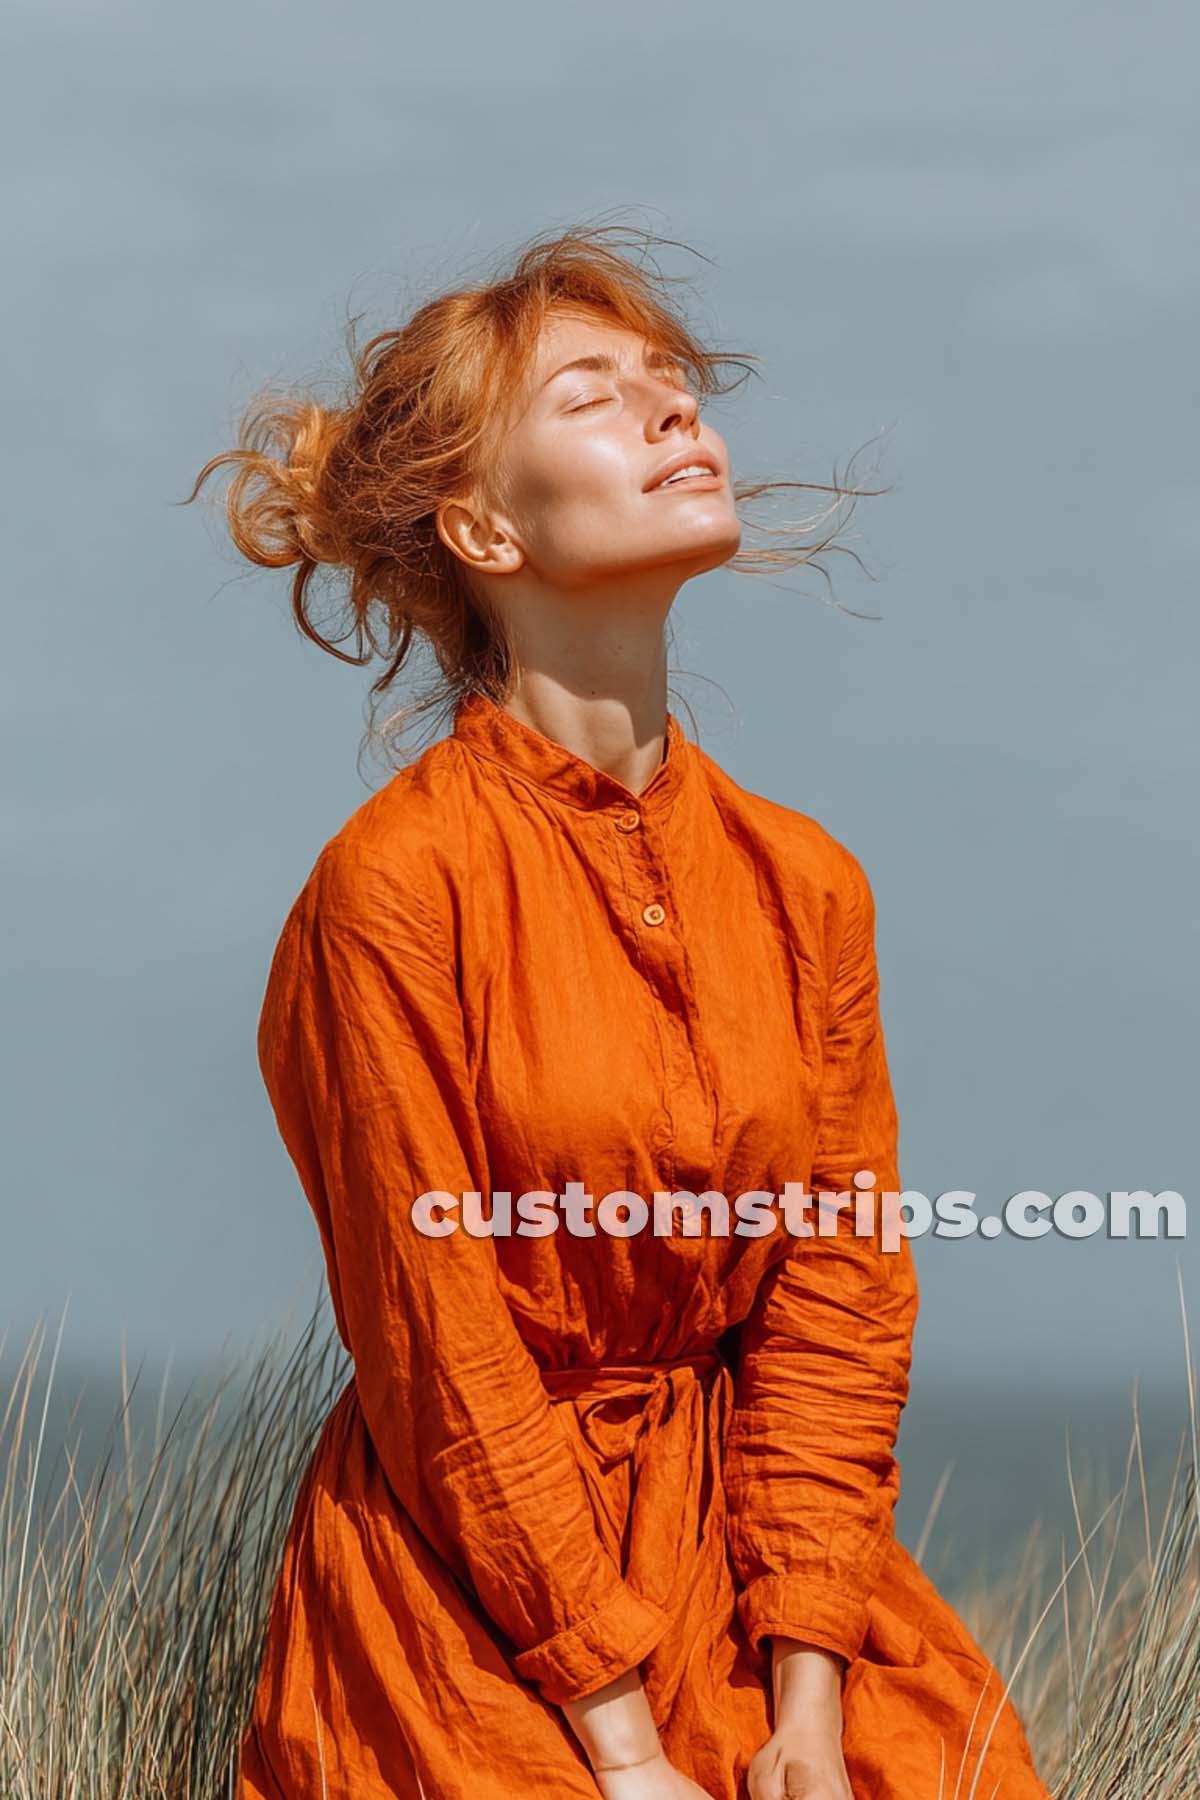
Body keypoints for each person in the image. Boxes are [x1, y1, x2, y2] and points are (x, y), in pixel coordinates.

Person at [189, 224, 1053, 1800]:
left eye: (678, 385)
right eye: (597, 395)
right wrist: (623, 1738)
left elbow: (840, 1294)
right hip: (480, 1614)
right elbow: (437, 1345)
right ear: (485, 529)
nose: (677, 416)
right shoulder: (392, 888)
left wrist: (808, 1678)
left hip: (756, 1580)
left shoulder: (807, 887)